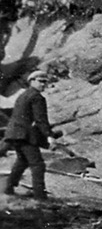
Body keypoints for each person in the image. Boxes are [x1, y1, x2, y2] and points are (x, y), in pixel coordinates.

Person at [2, 71, 61, 200]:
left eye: (45, 82)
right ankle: (40, 198)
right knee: (38, 165)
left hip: (13, 134)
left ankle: (8, 189)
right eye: (41, 81)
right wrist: (49, 137)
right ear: (32, 81)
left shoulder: (23, 95)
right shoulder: (37, 97)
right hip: (24, 135)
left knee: (22, 161)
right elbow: (41, 120)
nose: (43, 85)